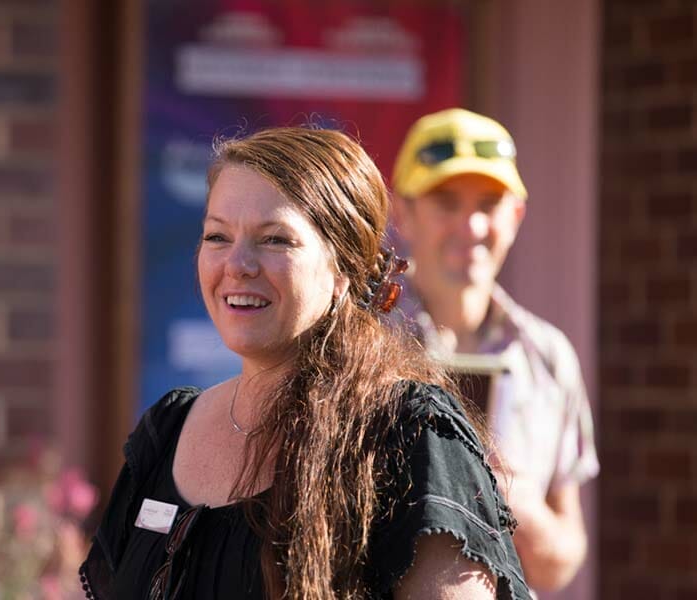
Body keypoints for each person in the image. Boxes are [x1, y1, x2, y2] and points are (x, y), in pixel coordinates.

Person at [79, 126, 532, 599]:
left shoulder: (409, 435)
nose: (237, 264)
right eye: (217, 236)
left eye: (275, 239)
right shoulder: (167, 431)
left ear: (344, 270)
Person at [389, 108, 599, 593]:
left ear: (517, 216)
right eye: (446, 202)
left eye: (489, 203)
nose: (472, 225)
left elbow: (562, 562)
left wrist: (513, 501)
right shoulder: (357, 342)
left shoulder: (548, 356)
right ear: (403, 212)